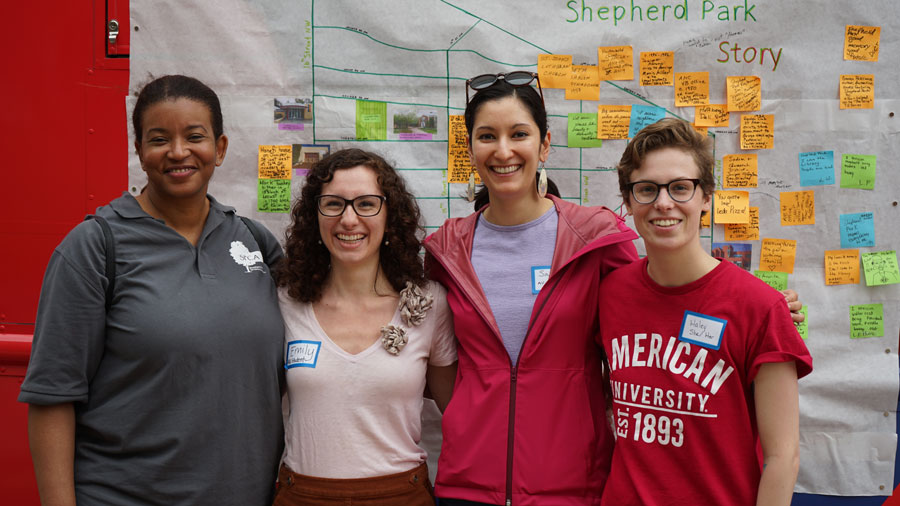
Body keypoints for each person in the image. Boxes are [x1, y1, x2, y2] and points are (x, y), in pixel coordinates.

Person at [424, 72, 806, 506]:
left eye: (519, 134)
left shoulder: (595, 239)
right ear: (469, 147)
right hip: (468, 484)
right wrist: (466, 416)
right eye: (487, 136)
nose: (504, 150)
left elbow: (670, 290)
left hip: (571, 487)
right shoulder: (445, 249)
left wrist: (761, 306)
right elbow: (437, 350)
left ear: (544, 144)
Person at [18, 75, 285, 505]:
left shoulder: (254, 242)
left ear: (220, 148)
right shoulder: (94, 247)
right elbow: (53, 398)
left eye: (194, 137)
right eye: (159, 139)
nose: (178, 152)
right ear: (139, 152)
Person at [597, 117, 812, 506]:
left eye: (681, 188)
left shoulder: (760, 308)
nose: (663, 203)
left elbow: (784, 458)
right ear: (627, 202)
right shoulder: (609, 293)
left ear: (706, 197)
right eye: (646, 189)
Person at [273, 148, 457, 506]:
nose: (349, 219)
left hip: (400, 496)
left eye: (367, 204)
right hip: (304, 496)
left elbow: (460, 417)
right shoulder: (285, 303)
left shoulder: (430, 304)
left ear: (390, 215)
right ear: (315, 215)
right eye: (333, 204)